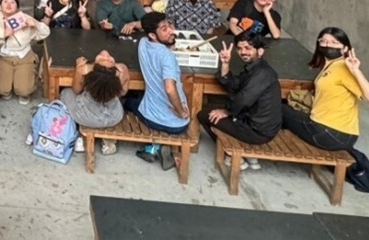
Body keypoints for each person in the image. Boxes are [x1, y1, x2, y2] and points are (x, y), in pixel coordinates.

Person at [282, 27, 369, 152]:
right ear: (319, 44)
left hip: (328, 133)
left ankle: (268, 146)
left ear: (345, 48)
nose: (328, 45)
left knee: (278, 109)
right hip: (339, 133)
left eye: (334, 43)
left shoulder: (344, 68)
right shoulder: (330, 65)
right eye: (324, 41)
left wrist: (356, 71)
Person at [198, 34, 282, 171]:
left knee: (205, 114)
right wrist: (225, 64)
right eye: (240, 48)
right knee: (214, 110)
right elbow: (234, 85)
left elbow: (243, 99)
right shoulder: (255, 68)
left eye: (248, 48)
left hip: (257, 131)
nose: (243, 52)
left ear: (260, 51)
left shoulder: (263, 73)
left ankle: (233, 154)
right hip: (255, 123)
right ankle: (247, 152)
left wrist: (226, 111)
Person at [128, 14, 190, 170]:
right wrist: (181, 112)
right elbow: (170, 89)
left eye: (169, 25)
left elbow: (143, 27)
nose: (171, 31)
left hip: (152, 117)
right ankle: (158, 146)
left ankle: (153, 147)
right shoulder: (168, 57)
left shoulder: (143, 43)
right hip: (177, 124)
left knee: (128, 101)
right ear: (152, 35)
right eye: (164, 29)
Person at [0, 0, 49, 104]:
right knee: (2, 89)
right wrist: (3, 33)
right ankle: (6, 88)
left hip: (24, 57)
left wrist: (36, 25)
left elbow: (46, 32)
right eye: (5, 1)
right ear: (0, 6)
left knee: (24, 90)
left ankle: (25, 91)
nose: (9, 4)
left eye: (12, 2)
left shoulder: (24, 17)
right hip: (4, 57)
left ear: (17, 7)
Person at [60, 51, 130, 155]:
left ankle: (78, 133)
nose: (106, 55)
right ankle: (107, 141)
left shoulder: (83, 70)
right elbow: (123, 92)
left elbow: (76, 90)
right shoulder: (122, 71)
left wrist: (78, 67)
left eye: (103, 59)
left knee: (66, 92)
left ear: (94, 68)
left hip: (86, 118)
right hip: (113, 118)